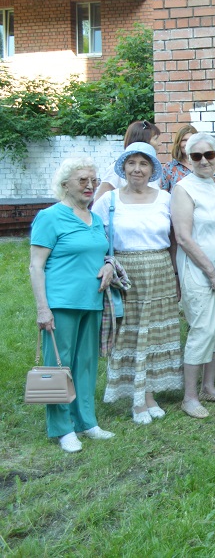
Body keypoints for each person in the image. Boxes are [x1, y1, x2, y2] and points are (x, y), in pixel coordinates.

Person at [29, 157, 116, 452]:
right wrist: (43, 308)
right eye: (83, 180)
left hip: (91, 302)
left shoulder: (95, 218)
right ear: (65, 184)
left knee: (86, 364)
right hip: (61, 302)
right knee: (58, 365)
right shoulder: (50, 217)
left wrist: (109, 267)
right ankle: (62, 428)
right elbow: (36, 266)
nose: (90, 185)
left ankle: (87, 421)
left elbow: (101, 253)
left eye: (93, 179)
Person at [92, 143, 183, 425]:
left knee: (154, 334)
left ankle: (149, 394)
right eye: (131, 163)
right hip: (124, 272)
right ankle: (138, 400)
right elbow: (94, 236)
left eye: (143, 164)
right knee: (130, 333)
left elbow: (174, 240)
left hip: (159, 270)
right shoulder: (108, 200)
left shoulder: (165, 198)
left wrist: (177, 275)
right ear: (123, 168)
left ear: (152, 169)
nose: (137, 169)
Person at [171, 132, 215, 419]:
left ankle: (209, 387)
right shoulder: (183, 189)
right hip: (200, 272)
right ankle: (189, 397)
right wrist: (212, 273)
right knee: (202, 330)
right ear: (188, 159)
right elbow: (184, 237)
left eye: (208, 155)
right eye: (196, 156)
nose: (203, 161)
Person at [95, 120, 163, 199]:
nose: (159, 143)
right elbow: (99, 200)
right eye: (155, 139)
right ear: (143, 140)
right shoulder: (115, 170)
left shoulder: (152, 169)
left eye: (143, 164)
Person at [164, 124, 199, 191]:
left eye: (191, 140)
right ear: (178, 142)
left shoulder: (203, 164)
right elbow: (163, 194)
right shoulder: (169, 168)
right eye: (184, 140)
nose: (187, 143)